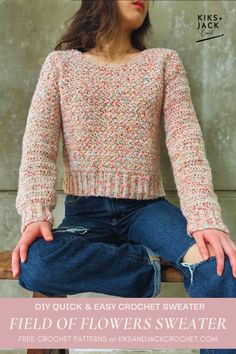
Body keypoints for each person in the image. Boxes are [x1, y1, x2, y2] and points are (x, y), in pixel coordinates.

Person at [13, 0, 236, 352]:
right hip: (85, 212)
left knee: (220, 266)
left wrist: (205, 217)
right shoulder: (61, 65)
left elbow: (186, 145)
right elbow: (38, 145)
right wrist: (34, 213)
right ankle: (145, 269)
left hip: (148, 210)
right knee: (35, 264)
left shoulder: (163, 63)